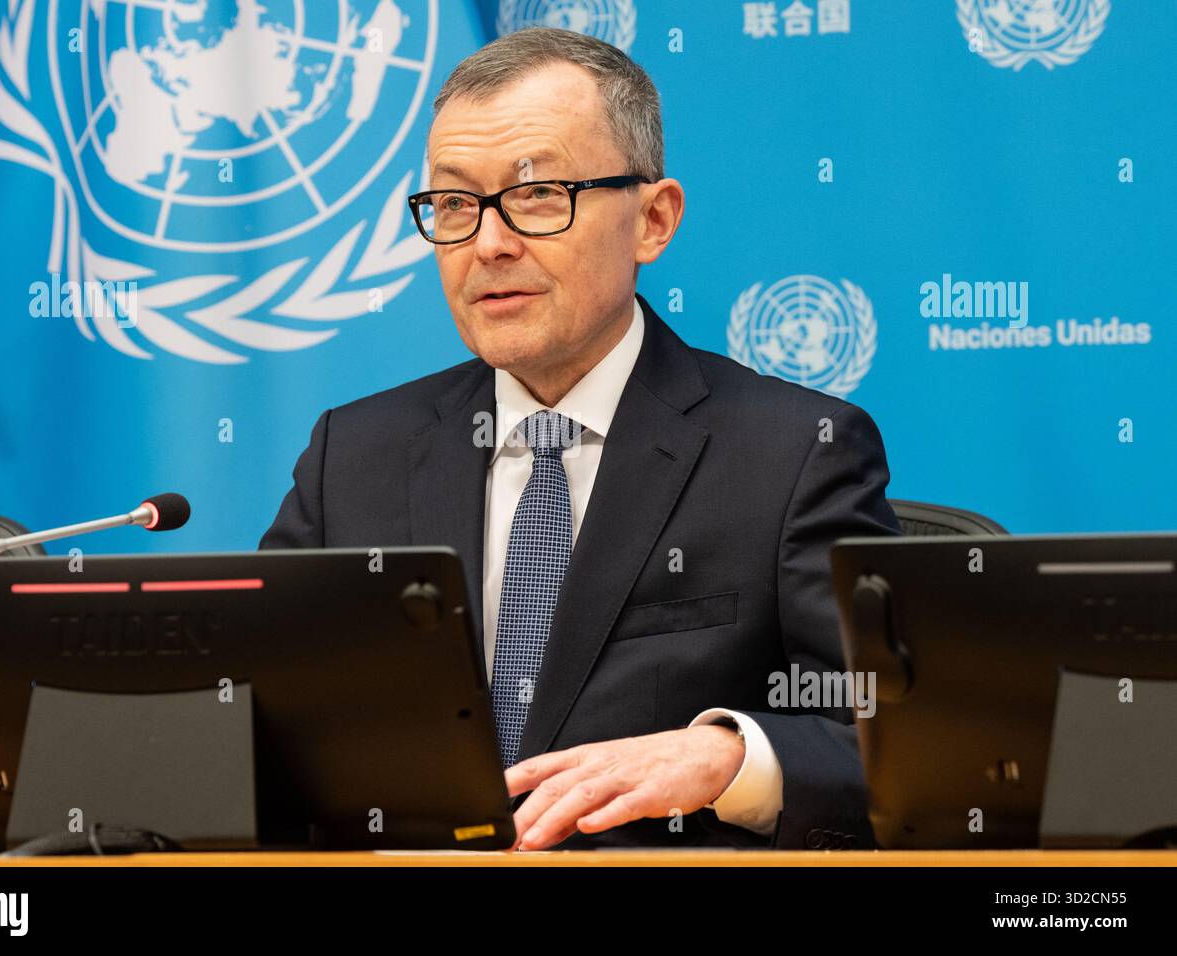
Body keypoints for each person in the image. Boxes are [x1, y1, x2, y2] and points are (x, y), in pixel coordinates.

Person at [260, 27, 901, 850]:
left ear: (653, 220)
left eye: (536, 195)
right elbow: (251, 716)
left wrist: (729, 755)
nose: (488, 243)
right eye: (456, 203)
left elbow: (893, 739)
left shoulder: (791, 453)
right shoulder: (353, 457)